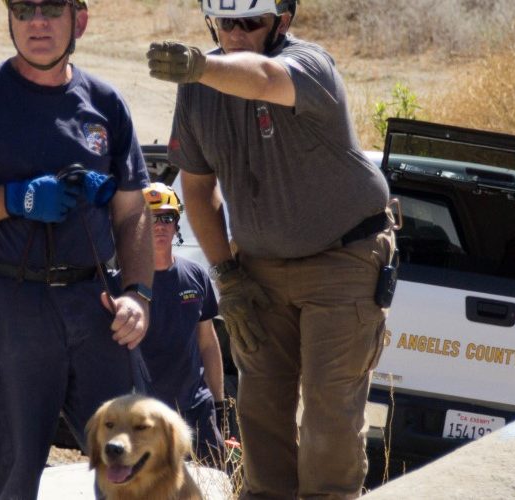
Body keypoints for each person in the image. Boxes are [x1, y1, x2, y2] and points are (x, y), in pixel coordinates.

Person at [145, 0, 397, 498]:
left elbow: (261, 77)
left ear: (280, 23)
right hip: (258, 267)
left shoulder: (309, 64)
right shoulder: (197, 94)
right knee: (259, 410)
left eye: (250, 22)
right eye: (226, 22)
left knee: (328, 415)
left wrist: (200, 64)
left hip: (343, 257)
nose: (236, 33)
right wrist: (227, 275)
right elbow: (197, 188)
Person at [0, 0, 155, 497]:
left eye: (50, 8)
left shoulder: (105, 104)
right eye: (23, 9)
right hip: (3, 306)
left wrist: (138, 293)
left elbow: (132, 212)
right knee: (9, 476)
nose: (37, 22)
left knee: (139, 469)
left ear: (79, 20)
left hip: (95, 305)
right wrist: (16, 198)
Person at [138, 182, 230, 465]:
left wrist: (219, 405)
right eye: (152, 217)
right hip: (142, 414)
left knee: (211, 486)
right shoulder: (122, 284)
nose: (160, 225)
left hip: (196, 411)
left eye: (167, 217)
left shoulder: (196, 276)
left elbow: (208, 343)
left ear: (177, 223)